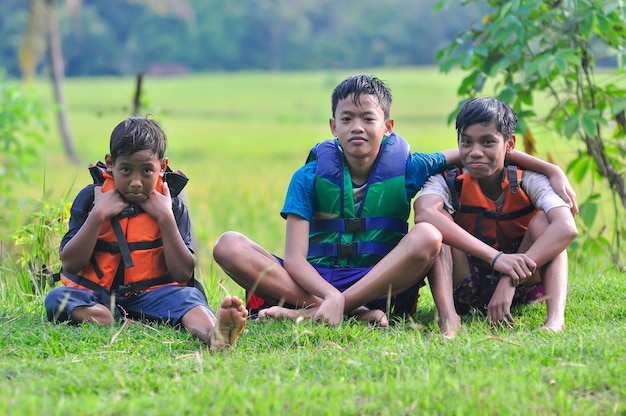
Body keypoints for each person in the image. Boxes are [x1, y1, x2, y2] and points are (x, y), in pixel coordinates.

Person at [213, 75, 576, 336]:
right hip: (315, 280)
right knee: (228, 244)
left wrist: (549, 168)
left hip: (379, 282)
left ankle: (334, 308)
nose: (357, 127)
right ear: (332, 126)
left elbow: (479, 153)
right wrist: (329, 295)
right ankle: (343, 309)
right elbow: (293, 259)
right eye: (347, 119)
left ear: (387, 126)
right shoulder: (307, 177)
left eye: (368, 118)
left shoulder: (409, 166)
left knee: (428, 235)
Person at [45, 117, 247, 351]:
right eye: (126, 170)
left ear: (162, 167)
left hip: (155, 296)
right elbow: (70, 263)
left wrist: (165, 218)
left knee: (190, 299)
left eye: (147, 171)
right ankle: (109, 319)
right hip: (98, 296)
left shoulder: (173, 205)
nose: (136, 182)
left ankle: (214, 335)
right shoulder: (91, 199)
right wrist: (98, 215)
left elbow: (183, 272)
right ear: (110, 163)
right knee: (56, 299)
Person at [414, 97, 578, 332]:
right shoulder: (447, 179)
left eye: (488, 142)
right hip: (466, 284)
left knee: (546, 223)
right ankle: (449, 319)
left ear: (509, 144)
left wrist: (509, 279)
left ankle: (554, 320)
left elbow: (566, 228)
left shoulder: (527, 178)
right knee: (433, 230)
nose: (476, 152)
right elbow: (424, 212)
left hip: (521, 282)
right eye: (467, 142)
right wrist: (496, 258)